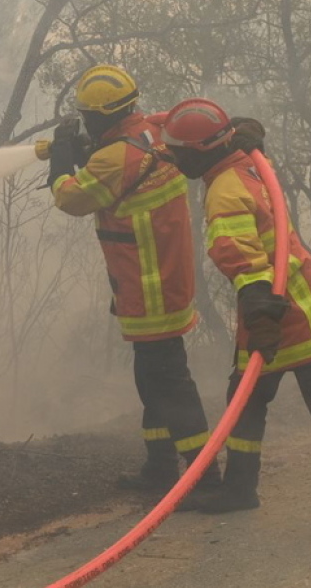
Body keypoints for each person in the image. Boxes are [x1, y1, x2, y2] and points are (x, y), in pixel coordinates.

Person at [158, 97, 311, 545]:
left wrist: (262, 310)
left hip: (287, 313)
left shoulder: (225, 189)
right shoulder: (242, 161)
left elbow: (242, 258)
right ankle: (240, 490)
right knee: (243, 403)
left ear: (203, 151)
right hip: (269, 307)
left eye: (180, 151)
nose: (176, 157)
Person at [42, 65, 220, 496]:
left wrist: (63, 161)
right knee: (151, 378)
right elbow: (120, 157)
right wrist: (82, 147)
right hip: (163, 279)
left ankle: (205, 479)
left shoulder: (113, 159)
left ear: (102, 116)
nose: (86, 121)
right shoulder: (153, 132)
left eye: (88, 116)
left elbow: (71, 198)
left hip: (149, 287)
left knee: (170, 384)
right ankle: (160, 469)